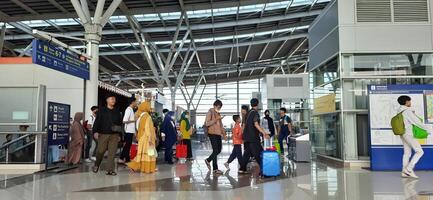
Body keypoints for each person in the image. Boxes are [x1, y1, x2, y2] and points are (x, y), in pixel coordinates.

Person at [397, 95, 432, 178]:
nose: (410, 103)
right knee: (420, 151)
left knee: (407, 153)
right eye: (409, 101)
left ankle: (404, 172)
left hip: (403, 134)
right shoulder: (407, 111)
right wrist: (428, 129)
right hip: (408, 134)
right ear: (406, 102)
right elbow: (417, 122)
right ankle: (408, 169)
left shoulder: (399, 110)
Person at [92, 94, 123, 176]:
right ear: (107, 100)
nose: (113, 100)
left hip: (114, 135)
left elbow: (120, 124)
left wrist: (120, 135)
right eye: (111, 98)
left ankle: (110, 170)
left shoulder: (117, 112)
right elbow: (97, 122)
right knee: (100, 151)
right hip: (103, 134)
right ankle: (96, 164)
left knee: (112, 153)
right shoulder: (101, 111)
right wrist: (95, 131)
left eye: (114, 99)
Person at [239, 98, 270, 174]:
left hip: (247, 137)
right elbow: (256, 124)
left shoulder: (248, 112)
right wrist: (264, 133)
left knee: (247, 153)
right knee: (258, 153)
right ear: (258, 104)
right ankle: (264, 169)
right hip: (253, 137)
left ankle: (242, 168)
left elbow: (244, 125)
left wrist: (243, 135)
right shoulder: (255, 113)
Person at [127, 101, 157, 173]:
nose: (150, 108)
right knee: (149, 153)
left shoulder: (140, 116)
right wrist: (150, 138)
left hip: (141, 137)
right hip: (147, 138)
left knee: (142, 154)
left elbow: (137, 127)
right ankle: (147, 168)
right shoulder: (147, 116)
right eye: (148, 106)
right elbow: (147, 128)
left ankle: (136, 166)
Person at [204, 100, 227, 175]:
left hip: (218, 134)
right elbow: (207, 123)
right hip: (212, 133)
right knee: (215, 150)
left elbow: (221, 125)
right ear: (214, 105)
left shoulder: (218, 113)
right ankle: (215, 169)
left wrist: (224, 134)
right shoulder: (210, 112)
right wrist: (216, 119)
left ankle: (208, 160)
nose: (219, 108)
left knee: (219, 150)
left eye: (220, 107)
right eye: (218, 107)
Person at [119, 97, 137, 164]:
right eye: (136, 101)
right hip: (128, 131)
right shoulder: (128, 110)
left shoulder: (131, 109)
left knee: (128, 145)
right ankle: (123, 158)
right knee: (127, 145)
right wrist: (134, 120)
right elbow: (124, 120)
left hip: (131, 130)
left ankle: (126, 159)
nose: (136, 103)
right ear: (132, 102)